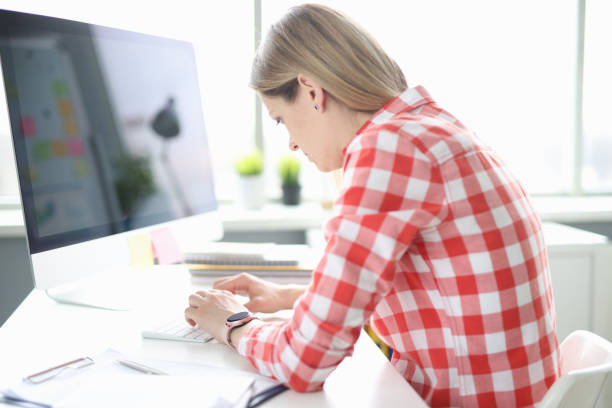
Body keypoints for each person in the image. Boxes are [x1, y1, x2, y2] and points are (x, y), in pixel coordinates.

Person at [184, 4, 559, 406]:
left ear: (311, 91)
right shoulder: (430, 128)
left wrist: (233, 323)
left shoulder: (389, 147)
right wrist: (292, 297)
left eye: (280, 119)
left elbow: (304, 363)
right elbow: (425, 286)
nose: (291, 142)